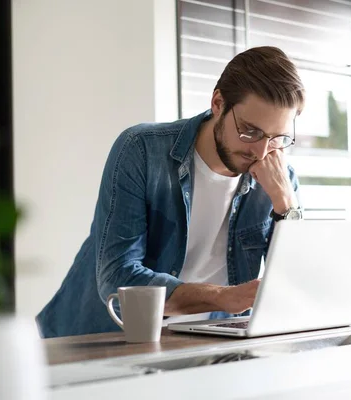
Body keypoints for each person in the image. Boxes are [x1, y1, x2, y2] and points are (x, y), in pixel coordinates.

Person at [36, 46, 306, 338]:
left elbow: (295, 291)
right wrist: (223, 297)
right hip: (101, 341)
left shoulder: (279, 177)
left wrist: (286, 205)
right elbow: (118, 278)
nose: (262, 151)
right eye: (249, 132)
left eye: (278, 138)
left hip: (199, 342)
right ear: (218, 103)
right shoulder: (141, 150)